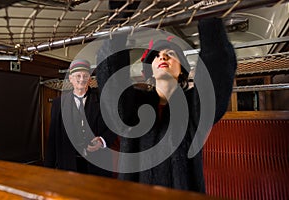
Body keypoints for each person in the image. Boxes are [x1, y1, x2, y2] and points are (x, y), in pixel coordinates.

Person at [96, 17, 237, 192]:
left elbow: (217, 70)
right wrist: (120, 20)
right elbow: (111, 80)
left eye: (170, 53)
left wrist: (208, 18)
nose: (162, 56)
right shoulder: (133, 106)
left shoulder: (193, 107)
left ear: (181, 70)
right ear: (151, 70)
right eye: (156, 55)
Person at [44, 59, 117, 177]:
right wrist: (48, 169)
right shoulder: (59, 103)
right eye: (78, 75)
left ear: (90, 79)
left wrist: (102, 141)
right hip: (68, 164)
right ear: (71, 79)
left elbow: (115, 127)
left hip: (98, 165)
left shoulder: (104, 100)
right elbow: (53, 137)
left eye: (85, 76)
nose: (82, 79)